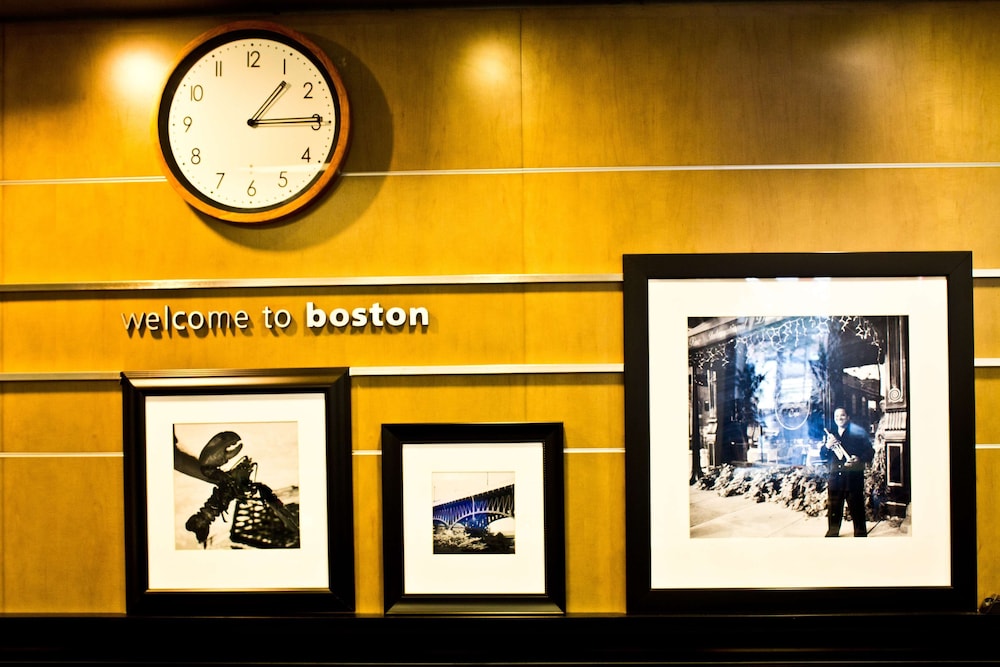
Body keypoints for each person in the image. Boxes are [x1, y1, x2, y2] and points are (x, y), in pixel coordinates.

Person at [819, 406, 874, 537]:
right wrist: (827, 446)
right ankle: (833, 532)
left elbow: (870, 451)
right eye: (837, 416)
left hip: (853, 477)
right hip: (836, 478)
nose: (839, 418)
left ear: (848, 417)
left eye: (842, 415)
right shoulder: (832, 435)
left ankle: (860, 534)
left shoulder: (857, 433)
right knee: (834, 507)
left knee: (857, 507)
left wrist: (859, 459)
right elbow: (823, 456)